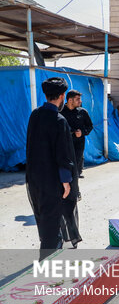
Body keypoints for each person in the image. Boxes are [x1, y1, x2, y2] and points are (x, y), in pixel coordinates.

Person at [26, 78, 81, 260]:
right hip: (53, 179)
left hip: (35, 177)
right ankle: (47, 260)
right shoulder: (59, 120)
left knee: (44, 217)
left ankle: (51, 253)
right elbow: (63, 153)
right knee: (52, 218)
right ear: (62, 96)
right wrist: (66, 181)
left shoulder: (35, 115)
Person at [60, 90, 93, 178]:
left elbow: (90, 126)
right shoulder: (60, 112)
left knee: (78, 157)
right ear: (70, 100)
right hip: (65, 142)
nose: (80, 101)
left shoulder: (82, 112)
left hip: (79, 141)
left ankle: (77, 173)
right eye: (78, 99)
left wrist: (82, 132)